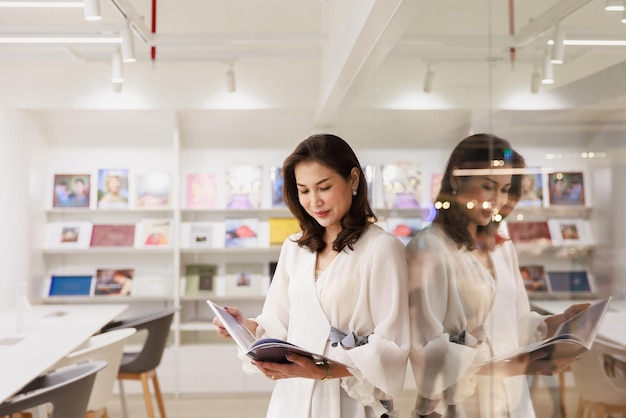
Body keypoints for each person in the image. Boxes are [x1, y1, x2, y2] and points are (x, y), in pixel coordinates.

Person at [213, 134, 410, 418]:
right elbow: (278, 321)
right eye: (303, 190)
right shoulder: (295, 247)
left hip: (350, 400)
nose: (314, 201)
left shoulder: (382, 248)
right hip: (291, 398)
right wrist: (242, 325)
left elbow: (393, 346)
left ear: (353, 179)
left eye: (324, 187)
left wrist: (323, 371)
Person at [406, 133, 589, 418]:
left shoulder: (502, 247)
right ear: (457, 180)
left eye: (505, 189)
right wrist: (517, 366)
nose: (497, 200)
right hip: (459, 405)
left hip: (512, 401)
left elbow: (515, 322)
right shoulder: (429, 247)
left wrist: (557, 324)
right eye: (488, 186)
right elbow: (426, 353)